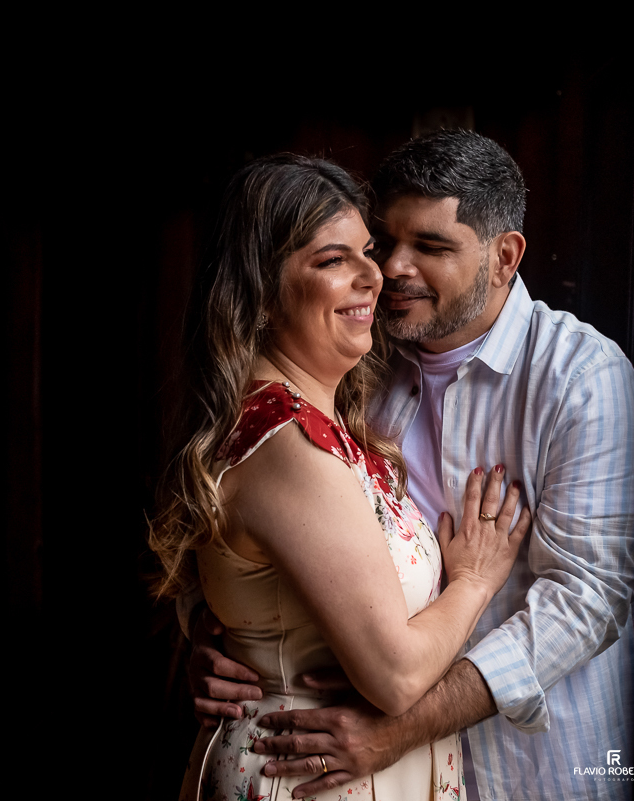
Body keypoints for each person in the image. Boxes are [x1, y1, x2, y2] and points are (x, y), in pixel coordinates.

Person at [186, 131, 634, 801]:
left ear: (504, 256)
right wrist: (228, 634)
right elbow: (255, 517)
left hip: (535, 767)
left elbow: (590, 596)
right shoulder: (354, 365)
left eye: (429, 246)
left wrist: (403, 727)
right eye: (383, 241)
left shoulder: (581, 378)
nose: (391, 268)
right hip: (340, 762)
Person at [150, 153, 531, 801]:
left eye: (366, 251)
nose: (374, 274)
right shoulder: (287, 444)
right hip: (306, 775)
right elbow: (398, 673)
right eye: (333, 260)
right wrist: (473, 580)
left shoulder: (328, 421)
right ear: (260, 291)